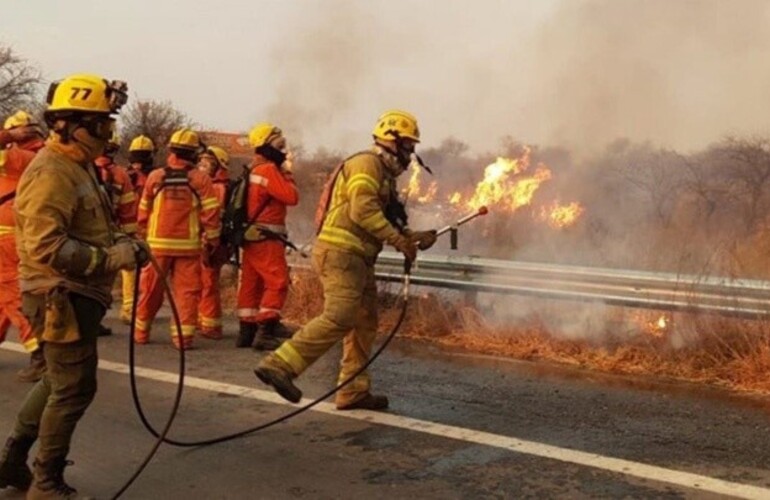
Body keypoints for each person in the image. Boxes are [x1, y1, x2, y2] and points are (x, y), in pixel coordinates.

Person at [0, 73, 145, 497]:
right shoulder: (51, 171)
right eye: (103, 122)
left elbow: (90, 226)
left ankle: (12, 464)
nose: (108, 131)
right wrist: (108, 259)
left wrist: (121, 241)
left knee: (56, 381)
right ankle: (46, 483)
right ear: (75, 124)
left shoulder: (77, 166)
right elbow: (48, 246)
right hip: (58, 295)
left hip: (72, 294)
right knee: (74, 388)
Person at [254, 110, 436, 410]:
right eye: (407, 145)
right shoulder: (367, 164)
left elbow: (387, 218)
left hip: (359, 258)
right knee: (340, 316)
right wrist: (397, 240)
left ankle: (353, 390)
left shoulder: (383, 175)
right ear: (391, 140)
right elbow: (362, 212)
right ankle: (279, 365)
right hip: (342, 253)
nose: (410, 153)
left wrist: (413, 236)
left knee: (364, 323)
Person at [135, 128, 221, 350]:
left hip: (157, 246)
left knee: (151, 290)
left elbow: (143, 212)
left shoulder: (155, 177)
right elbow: (211, 214)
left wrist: (141, 237)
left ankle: (141, 332)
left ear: (171, 151)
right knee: (187, 294)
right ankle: (183, 339)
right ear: (193, 154)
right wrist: (212, 241)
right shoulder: (200, 179)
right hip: (188, 248)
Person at [234, 124, 299, 350]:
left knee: (251, 283)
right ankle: (266, 330)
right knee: (277, 281)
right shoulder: (269, 170)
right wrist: (288, 173)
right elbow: (291, 197)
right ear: (266, 145)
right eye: (279, 144)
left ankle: (247, 331)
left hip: (252, 236)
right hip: (267, 236)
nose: (283, 150)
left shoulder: (253, 169)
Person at [0, 111, 46, 382]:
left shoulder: (17, 158)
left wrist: (9, 138)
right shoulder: (46, 157)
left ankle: (40, 352)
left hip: (7, 238)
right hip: (25, 236)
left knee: (13, 296)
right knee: (3, 297)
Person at [94, 132, 138, 333]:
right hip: (112, 231)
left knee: (89, 275)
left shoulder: (81, 168)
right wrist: (130, 236)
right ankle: (129, 311)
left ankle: (90, 319)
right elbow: (128, 210)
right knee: (122, 271)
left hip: (87, 230)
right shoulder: (121, 175)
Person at [120, 134, 156, 324]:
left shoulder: (125, 175)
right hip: (146, 228)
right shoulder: (155, 176)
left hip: (129, 227)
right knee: (139, 269)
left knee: (130, 268)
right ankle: (133, 309)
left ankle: (130, 308)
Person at [197, 146, 230, 339]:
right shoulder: (206, 184)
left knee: (208, 283)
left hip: (210, 243)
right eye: (200, 160)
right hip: (203, 241)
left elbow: (212, 218)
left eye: (207, 161)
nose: (202, 165)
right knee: (200, 283)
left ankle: (211, 326)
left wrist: (209, 243)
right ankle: (202, 322)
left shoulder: (218, 187)